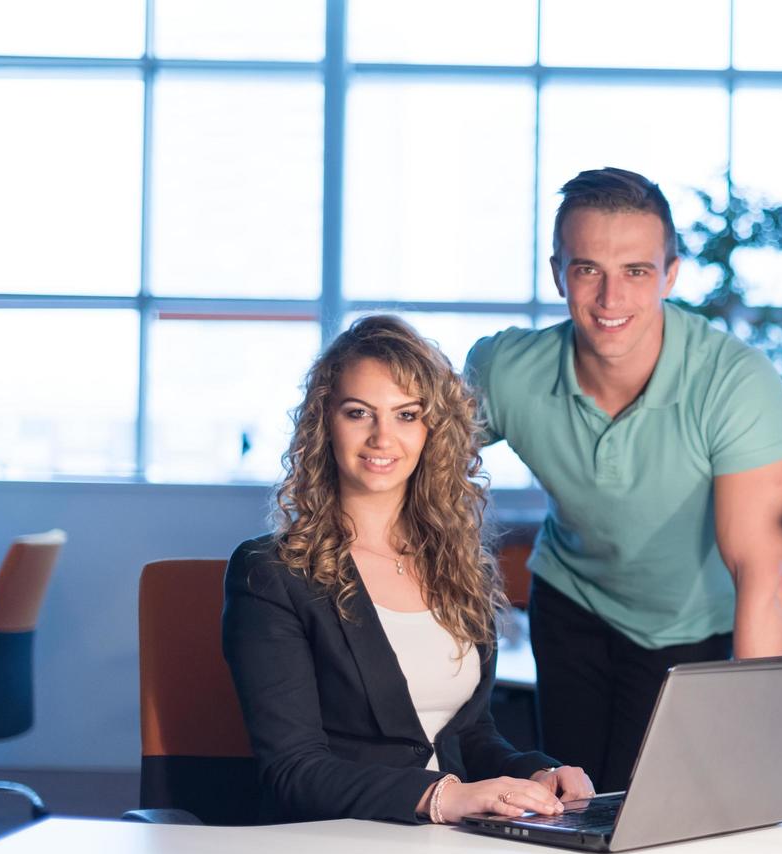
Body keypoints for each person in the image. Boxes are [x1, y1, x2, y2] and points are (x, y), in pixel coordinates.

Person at [465, 167, 782, 799]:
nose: (611, 299)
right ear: (558, 272)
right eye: (588, 270)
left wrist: (765, 739)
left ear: (670, 274)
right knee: (573, 806)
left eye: (635, 271)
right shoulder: (507, 369)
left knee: (669, 814)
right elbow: (405, 456)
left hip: (693, 624)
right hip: (573, 604)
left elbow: (762, 574)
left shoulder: (734, 383)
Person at [223, 315, 594, 824]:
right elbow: (293, 768)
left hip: (453, 850)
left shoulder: (458, 566)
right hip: (333, 849)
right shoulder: (271, 573)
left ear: (431, 431)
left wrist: (536, 774)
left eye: (406, 415)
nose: (382, 437)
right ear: (324, 422)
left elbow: (466, 734)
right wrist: (444, 798)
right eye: (359, 413)